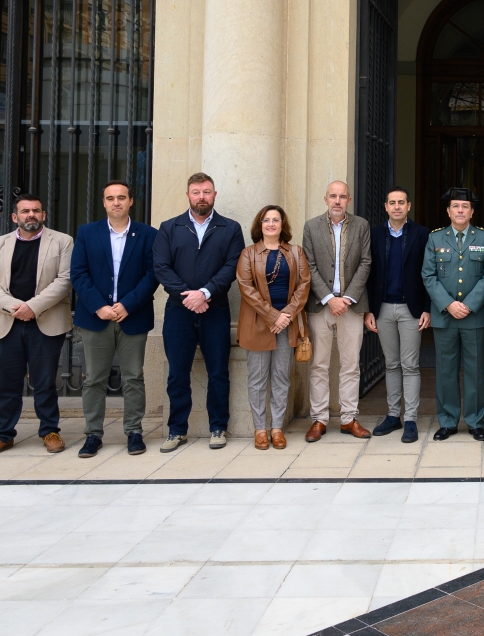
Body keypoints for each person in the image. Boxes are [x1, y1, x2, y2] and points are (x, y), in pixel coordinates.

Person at [0, 194, 74, 457]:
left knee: (45, 382)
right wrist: (13, 307)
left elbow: (64, 280)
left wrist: (33, 307)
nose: (31, 215)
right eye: (25, 211)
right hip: (7, 322)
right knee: (7, 383)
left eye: (36, 211)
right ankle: (3, 435)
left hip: (45, 321)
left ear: (44, 215)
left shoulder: (63, 241)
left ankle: (50, 431)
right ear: (14, 217)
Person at [153, 172, 245, 452]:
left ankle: (218, 427)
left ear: (214, 195)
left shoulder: (230, 228)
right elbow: (161, 267)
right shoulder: (170, 227)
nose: (201, 197)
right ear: (188, 195)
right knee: (177, 373)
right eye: (196, 192)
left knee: (218, 372)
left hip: (214, 308)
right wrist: (188, 296)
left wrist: (205, 293)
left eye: (206, 192)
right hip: (178, 311)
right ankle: (176, 429)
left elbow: (233, 266)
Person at [70, 180, 159, 458]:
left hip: (133, 317)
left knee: (133, 377)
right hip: (96, 318)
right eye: (111, 198)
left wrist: (128, 305)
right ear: (104, 202)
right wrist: (99, 306)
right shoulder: (87, 233)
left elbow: (152, 274)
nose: (116, 202)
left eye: (121, 197)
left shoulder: (148, 235)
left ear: (131, 201)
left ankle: (134, 431)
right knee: (94, 379)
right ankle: (93, 435)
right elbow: (78, 274)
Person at [422, 187, 484, 441]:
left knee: (476, 370)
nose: (460, 210)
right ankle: (447, 421)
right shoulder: (435, 239)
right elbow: (428, 275)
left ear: (472, 211)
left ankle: (476, 421)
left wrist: (468, 305)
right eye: (455, 206)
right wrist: (448, 304)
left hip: (474, 317)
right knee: (445, 370)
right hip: (445, 316)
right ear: (448, 211)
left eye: (465, 207)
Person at [301, 181, 372, 441]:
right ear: (325, 198)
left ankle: (348, 418)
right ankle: (318, 420)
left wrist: (348, 298)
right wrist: (330, 298)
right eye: (333, 196)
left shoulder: (361, 225)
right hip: (320, 305)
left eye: (342, 196)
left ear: (349, 200)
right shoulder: (311, 226)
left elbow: (366, 262)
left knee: (350, 365)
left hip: (352, 306)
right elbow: (308, 264)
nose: (338, 201)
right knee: (318, 365)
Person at [237, 205, 312, 450]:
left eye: (275, 220)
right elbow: (246, 288)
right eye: (266, 220)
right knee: (257, 379)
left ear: (282, 224)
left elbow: (304, 285)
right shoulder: (248, 254)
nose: (271, 224)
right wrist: (273, 316)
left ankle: (277, 428)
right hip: (259, 324)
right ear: (260, 225)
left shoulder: (295, 252)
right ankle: (260, 430)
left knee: (281, 377)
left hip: (287, 325)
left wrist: (286, 315)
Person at [365, 187, 430, 444]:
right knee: (391, 364)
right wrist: (368, 309)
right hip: (382, 308)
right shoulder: (375, 234)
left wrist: (426, 308)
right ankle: (393, 416)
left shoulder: (422, 234)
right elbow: (369, 274)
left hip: (410, 309)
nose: (396, 207)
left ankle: (411, 419)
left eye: (401, 203)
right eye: (392, 203)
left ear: (409, 206)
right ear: (385, 206)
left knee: (410, 365)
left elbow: (428, 273)